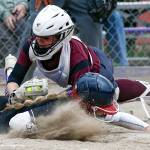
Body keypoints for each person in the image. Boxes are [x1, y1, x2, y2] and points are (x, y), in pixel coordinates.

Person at [5, 5, 150, 133]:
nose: (39, 43)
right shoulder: (31, 44)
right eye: (37, 37)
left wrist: (40, 107)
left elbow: (74, 100)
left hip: (97, 67)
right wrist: (15, 95)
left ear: (61, 37)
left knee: (106, 98)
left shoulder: (77, 58)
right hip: (78, 76)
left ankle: (147, 91)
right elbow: (14, 78)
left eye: (45, 39)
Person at [0, 0, 28, 67]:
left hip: (23, 15)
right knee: (9, 48)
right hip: (1, 18)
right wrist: (4, 13)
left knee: (26, 44)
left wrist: (24, 5)